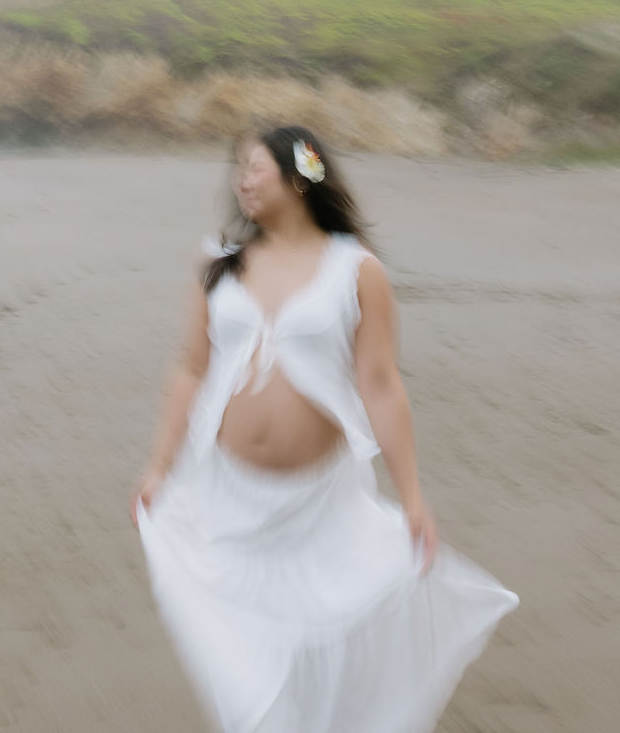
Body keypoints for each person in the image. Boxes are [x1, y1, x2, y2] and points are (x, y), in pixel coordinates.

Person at [132, 124, 517, 733]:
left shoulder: (357, 271)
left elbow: (382, 385)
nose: (242, 179)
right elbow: (189, 368)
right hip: (226, 502)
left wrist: (413, 498)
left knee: (327, 652)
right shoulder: (220, 264)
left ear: (297, 175)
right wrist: (158, 465)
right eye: (238, 168)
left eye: (254, 166)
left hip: (320, 507)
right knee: (252, 681)